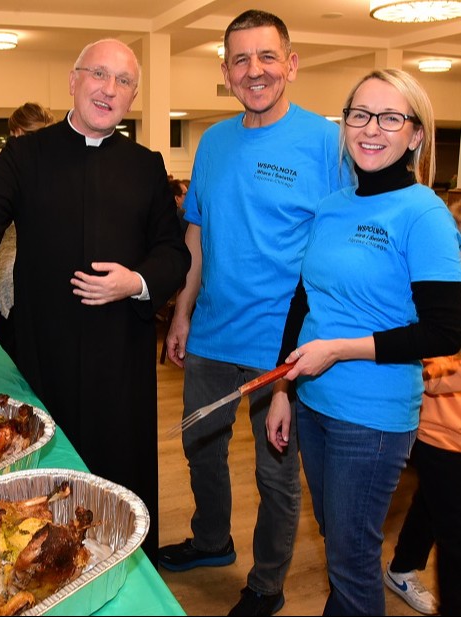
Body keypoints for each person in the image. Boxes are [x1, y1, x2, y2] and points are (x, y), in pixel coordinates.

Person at [0, 39, 191, 563]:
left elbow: (172, 249)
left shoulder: (145, 165)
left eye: (123, 82)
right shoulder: (25, 155)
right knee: (42, 480)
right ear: (73, 81)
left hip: (119, 353)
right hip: (42, 347)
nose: (109, 89)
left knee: (118, 476)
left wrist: (136, 281)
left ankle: (125, 565)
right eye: (99, 74)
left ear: (132, 97)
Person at [158, 9, 351, 616]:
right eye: (240, 59)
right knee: (200, 447)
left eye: (267, 57)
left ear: (290, 64)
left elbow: (340, 242)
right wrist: (182, 314)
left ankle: (267, 585)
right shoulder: (214, 143)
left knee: (275, 476)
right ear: (225, 71)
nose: (254, 70)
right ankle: (212, 541)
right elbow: (196, 238)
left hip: (283, 343)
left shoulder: (327, 143)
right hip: (213, 331)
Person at [266, 68, 461, 616]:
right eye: (359, 114)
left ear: (415, 134)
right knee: (339, 542)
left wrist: (340, 349)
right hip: (314, 404)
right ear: (344, 124)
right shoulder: (333, 205)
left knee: (350, 560)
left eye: (390, 117)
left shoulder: (423, 213)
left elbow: (447, 329)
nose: (371, 129)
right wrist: (283, 387)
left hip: (372, 418)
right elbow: (304, 302)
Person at [0, 102, 54, 360]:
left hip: (12, 277)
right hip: (47, 280)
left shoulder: (15, 164)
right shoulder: (60, 165)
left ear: (16, 132)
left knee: (11, 359)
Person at [384, 352, 461, 616]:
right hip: (441, 431)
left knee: (431, 501)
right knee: (454, 537)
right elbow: (422, 370)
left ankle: (402, 566)